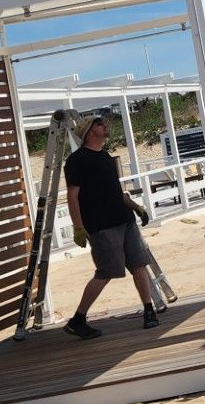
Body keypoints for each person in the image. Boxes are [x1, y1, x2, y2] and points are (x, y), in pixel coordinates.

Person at [62, 113, 158, 339]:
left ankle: (149, 310)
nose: (105, 126)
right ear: (89, 132)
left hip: (124, 221)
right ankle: (78, 320)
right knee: (106, 272)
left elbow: (116, 191)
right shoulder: (77, 161)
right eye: (99, 124)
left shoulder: (105, 157)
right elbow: (72, 196)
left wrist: (136, 207)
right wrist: (78, 227)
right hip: (102, 226)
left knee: (139, 264)